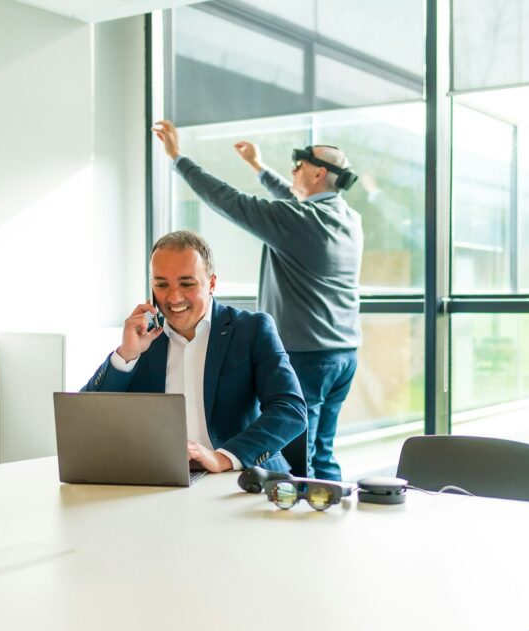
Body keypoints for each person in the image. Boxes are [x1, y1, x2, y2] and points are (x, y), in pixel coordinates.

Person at [151, 120, 362, 481]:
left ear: (317, 175)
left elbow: (230, 201)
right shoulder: (348, 218)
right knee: (323, 453)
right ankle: (333, 518)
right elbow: (291, 203)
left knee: (303, 459)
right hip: (344, 354)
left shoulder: (298, 221)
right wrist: (259, 168)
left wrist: (177, 157)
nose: (293, 170)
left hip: (308, 354)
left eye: (299, 165)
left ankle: (302, 526)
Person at [81, 230, 306, 474]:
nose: (174, 297)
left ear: (211, 283)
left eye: (187, 284)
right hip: (162, 481)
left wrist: (223, 458)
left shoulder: (251, 330)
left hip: (242, 477)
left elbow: (290, 409)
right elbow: (87, 417)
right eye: (161, 284)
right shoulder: (143, 338)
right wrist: (126, 355)